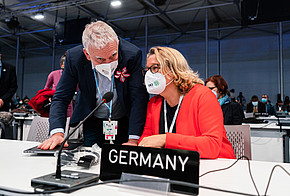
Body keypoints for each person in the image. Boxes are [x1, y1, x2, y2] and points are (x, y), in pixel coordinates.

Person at [39, 21, 148, 150]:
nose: (108, 62)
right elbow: (61, 98)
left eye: (113, 55)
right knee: (90, 159)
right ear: (87, 54)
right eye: (100, 59)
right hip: (92, 119)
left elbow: (138, 98)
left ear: (117, 45)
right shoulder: (74, 59)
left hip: (125, 119)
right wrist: (57, 133)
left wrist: (133, 139)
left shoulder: (132, 54)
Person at [138, 46, 235, 159]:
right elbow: (146, 140)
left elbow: (211, 145)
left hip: (216, 166)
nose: (149, 75)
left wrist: (165, 140)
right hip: (177, 167)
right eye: (147, 70)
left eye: (155, 68)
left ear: (173, 69)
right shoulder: (154, 103)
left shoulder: (203, 96)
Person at [0, 47, 18, 112]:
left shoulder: (10, 68)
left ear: (0, 55)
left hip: (3, 106)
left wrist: (3, 99)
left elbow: (13, 87)